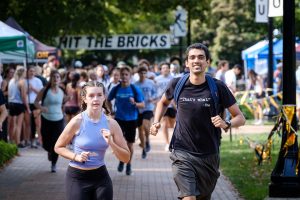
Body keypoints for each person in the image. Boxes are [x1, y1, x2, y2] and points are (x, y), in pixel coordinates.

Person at [150, 43, 245, 200]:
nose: (196, 61)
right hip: (181, 151)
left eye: (201, 57)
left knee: (202, 197)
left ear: (207, 62)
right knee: (189, 197)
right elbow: (163, 102)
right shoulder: (177, 84)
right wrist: (156, 121)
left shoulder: (217, 87)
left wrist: (227, 123)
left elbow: (240, 118)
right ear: (186, 63)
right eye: (192, 57)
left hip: (209, 154)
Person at [55, 81, 130, 200]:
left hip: (101, 177)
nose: (96, 99)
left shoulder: (112, 124)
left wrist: (111, 143)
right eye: (91, 95)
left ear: (104, 97)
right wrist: (76, 157)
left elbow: (126, 158)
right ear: (85, 99)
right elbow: (58, 147)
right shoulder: (77, 121)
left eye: (99, 95)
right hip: (77, 178)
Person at [108, 66, 144, 175]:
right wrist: (111, 111)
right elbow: (108, 100)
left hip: (132, 119)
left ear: (130, 76)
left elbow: (142, 105)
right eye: (122, 74)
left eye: (126, 74)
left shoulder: (134, 89)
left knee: (129, 144)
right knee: (119, 143)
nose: (124, 76)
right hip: (119, 119)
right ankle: (121, 160)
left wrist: (135, 103)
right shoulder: (116, 88)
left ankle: (128, 164)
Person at [34, 70, 66, 172]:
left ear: (60, 79)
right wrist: (41, 108)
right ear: (51, 79)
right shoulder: (44, 90)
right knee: (46, 142)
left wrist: (68, 99)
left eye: (57, 77)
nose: (55, 79)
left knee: (57, 142)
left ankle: (54, 164)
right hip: (46, 118)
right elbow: (35, 102)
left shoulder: (62, 91)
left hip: (59, 119)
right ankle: (49, 151)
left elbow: (63, 102)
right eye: (54, 77)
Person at [134, 66, 157, 159]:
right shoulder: (135, 84)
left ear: (147, 74)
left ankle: (147, 140)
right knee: (140, 130)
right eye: (141, 73)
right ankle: (143, 148)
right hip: (138, 109)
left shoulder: (151, 83)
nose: (143, 75)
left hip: (148, 107)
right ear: (138, 74)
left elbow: (156, 93)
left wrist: (153, 98)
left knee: (145, 125)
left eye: (144, 73)